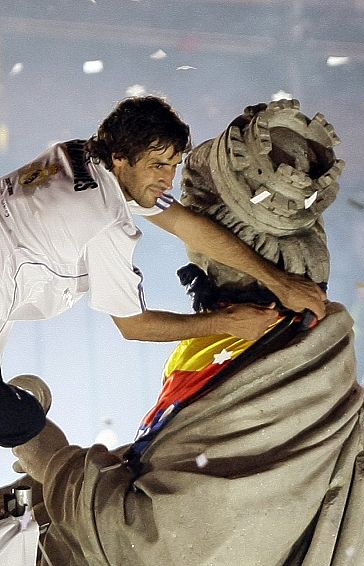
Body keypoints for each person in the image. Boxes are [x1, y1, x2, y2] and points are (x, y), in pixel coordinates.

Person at [0, 96, 326, 449]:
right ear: (120, 157)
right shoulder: (103, 223)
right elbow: (134, 326)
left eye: (173, 165)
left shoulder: (80, 154)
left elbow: (187, 225)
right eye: (158, 166)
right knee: (23, 420)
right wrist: (228, 323)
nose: (168, 180)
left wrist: (278, 281)